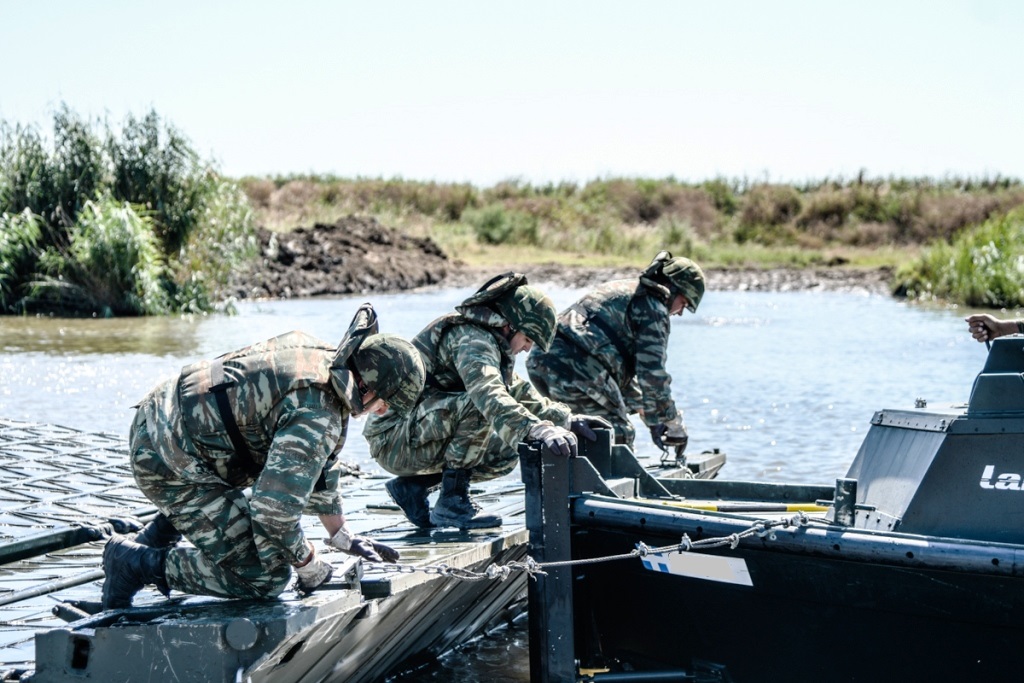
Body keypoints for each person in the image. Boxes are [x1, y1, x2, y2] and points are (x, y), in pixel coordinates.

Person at [101, 303, 425, 610]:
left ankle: (155, 537)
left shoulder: (322, 361)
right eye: (386, 403)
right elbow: (272, 516)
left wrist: (340, 534)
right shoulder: (318, 413)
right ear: (369, 386)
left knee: (256, 515)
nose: (381, 411)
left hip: (169, 425)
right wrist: (309, 564)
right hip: (168, 458)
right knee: (264, 577)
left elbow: (320, 466)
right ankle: (133, 564)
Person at [364, 273, 608, 530]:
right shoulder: (471, 339)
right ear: (509, 325)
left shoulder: (491, 345)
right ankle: (452, 502)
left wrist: (567, 420)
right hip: (392, 438)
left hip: (415, 435)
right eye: (527, 339)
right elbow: (489, 395)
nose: (526, 349)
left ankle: (412, 488)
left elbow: (518, 392)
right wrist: (538, 428)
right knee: (482, 406)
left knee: (508, 449)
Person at [525, 251, 705, 451]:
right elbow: (652, 375)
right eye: (684, 303)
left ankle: (557, 477)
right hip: (578, 366)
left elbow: (617, 370)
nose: (679, 312)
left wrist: (651, 417)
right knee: (616, 433)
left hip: (541, 359)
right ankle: (600, 482)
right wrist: (673, 424)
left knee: (569, 426)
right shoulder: (653, 309)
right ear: (674, 289)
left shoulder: (624, 288)